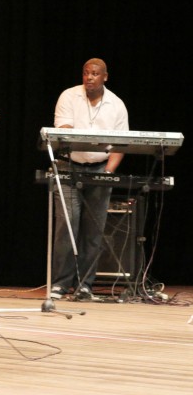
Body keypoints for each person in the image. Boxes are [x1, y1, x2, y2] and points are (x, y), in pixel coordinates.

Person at [50, 58, 129, 301]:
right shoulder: (69, 96)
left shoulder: (116, 105)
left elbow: (120, 145)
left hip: (100, 169)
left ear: (105, 76)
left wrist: (107, 173)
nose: (89, 77)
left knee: (93, 230)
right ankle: (60, 284)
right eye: (85, 73)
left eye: (94, 73)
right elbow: (63, 131)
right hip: (69, 166)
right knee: (67, 226)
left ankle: (85, 285)